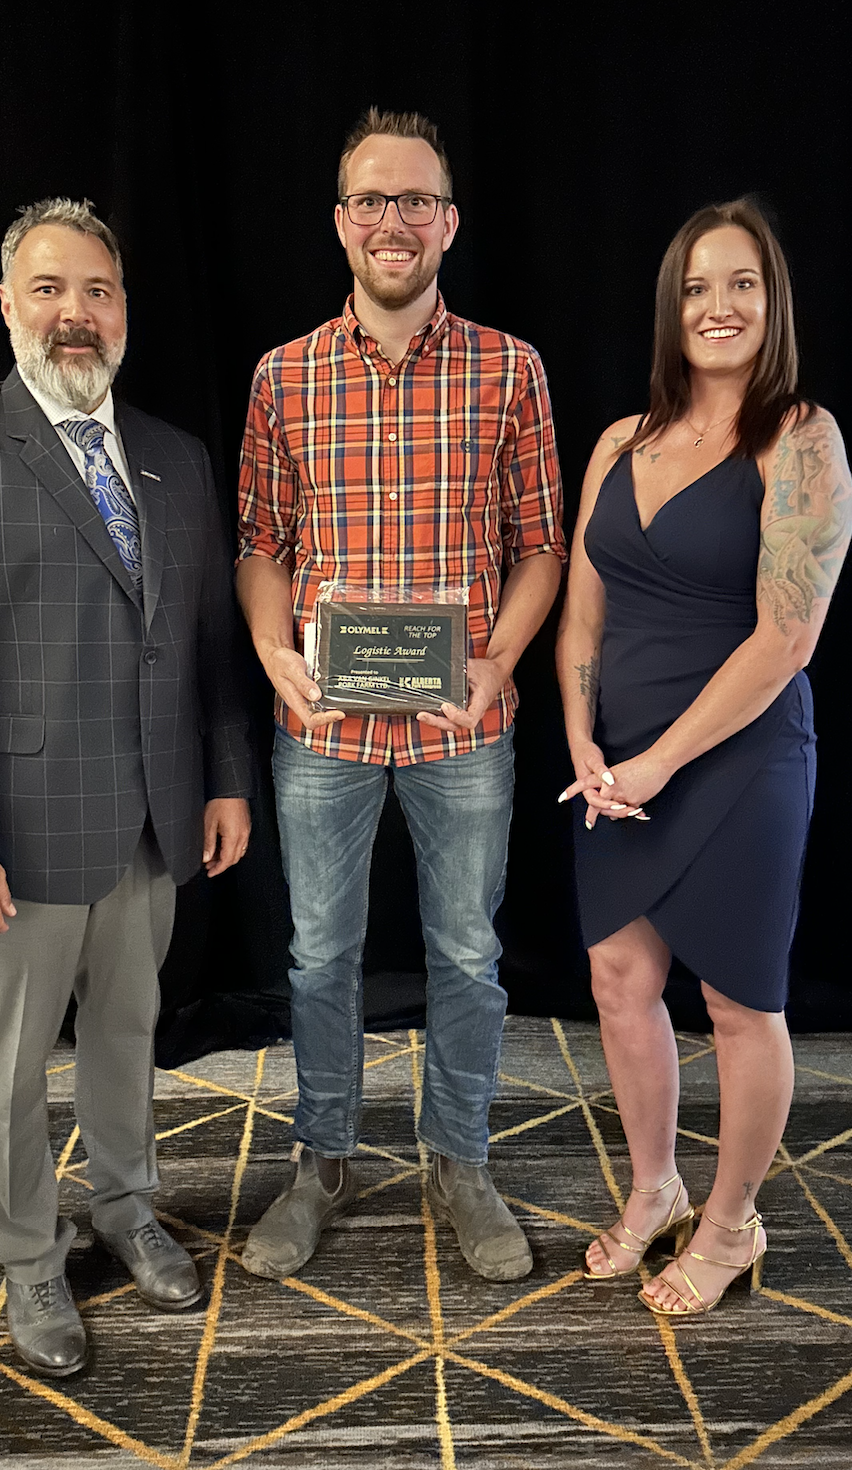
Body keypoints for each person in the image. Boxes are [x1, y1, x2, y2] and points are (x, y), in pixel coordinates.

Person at [0, 199, 252, 1374]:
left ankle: (126, 1204)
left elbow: (207, 644)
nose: (74, 313)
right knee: (6, 1063)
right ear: (7, 305)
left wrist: (225, 779)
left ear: (123, 309)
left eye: (96, 291)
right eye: (49, 289)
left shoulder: (175, 457)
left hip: (152, 822)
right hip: (12, 839)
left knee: (127, 1034)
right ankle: (30, 1256)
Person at [235, 109, 565, 1283]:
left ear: (449, 223)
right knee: (320, 954)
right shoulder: (283, 376)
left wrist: (498, 664)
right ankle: (322, 1159)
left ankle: (459, 1160)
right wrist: (273, 648)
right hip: (321, 725)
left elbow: (540, 546)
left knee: (466, 954)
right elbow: (261, 545)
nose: (394, 221)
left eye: (415, 200)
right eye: (372, 200)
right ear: (341, 223)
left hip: (462, 728)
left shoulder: (511, 369)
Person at [556, 199, 852, 1316]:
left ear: (773, 302)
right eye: (695, 287)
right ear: (669, 308)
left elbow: (786, 640)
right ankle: (655, 1189)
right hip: (620, 760)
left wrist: (659, 763)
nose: (717, 307)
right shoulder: (617, 444)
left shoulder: (801, 439)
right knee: (619, 980)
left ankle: (732, 1223)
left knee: (739, 1001)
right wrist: (584, 740)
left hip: (739, 759)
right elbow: (582, 620)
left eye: (741, 284)